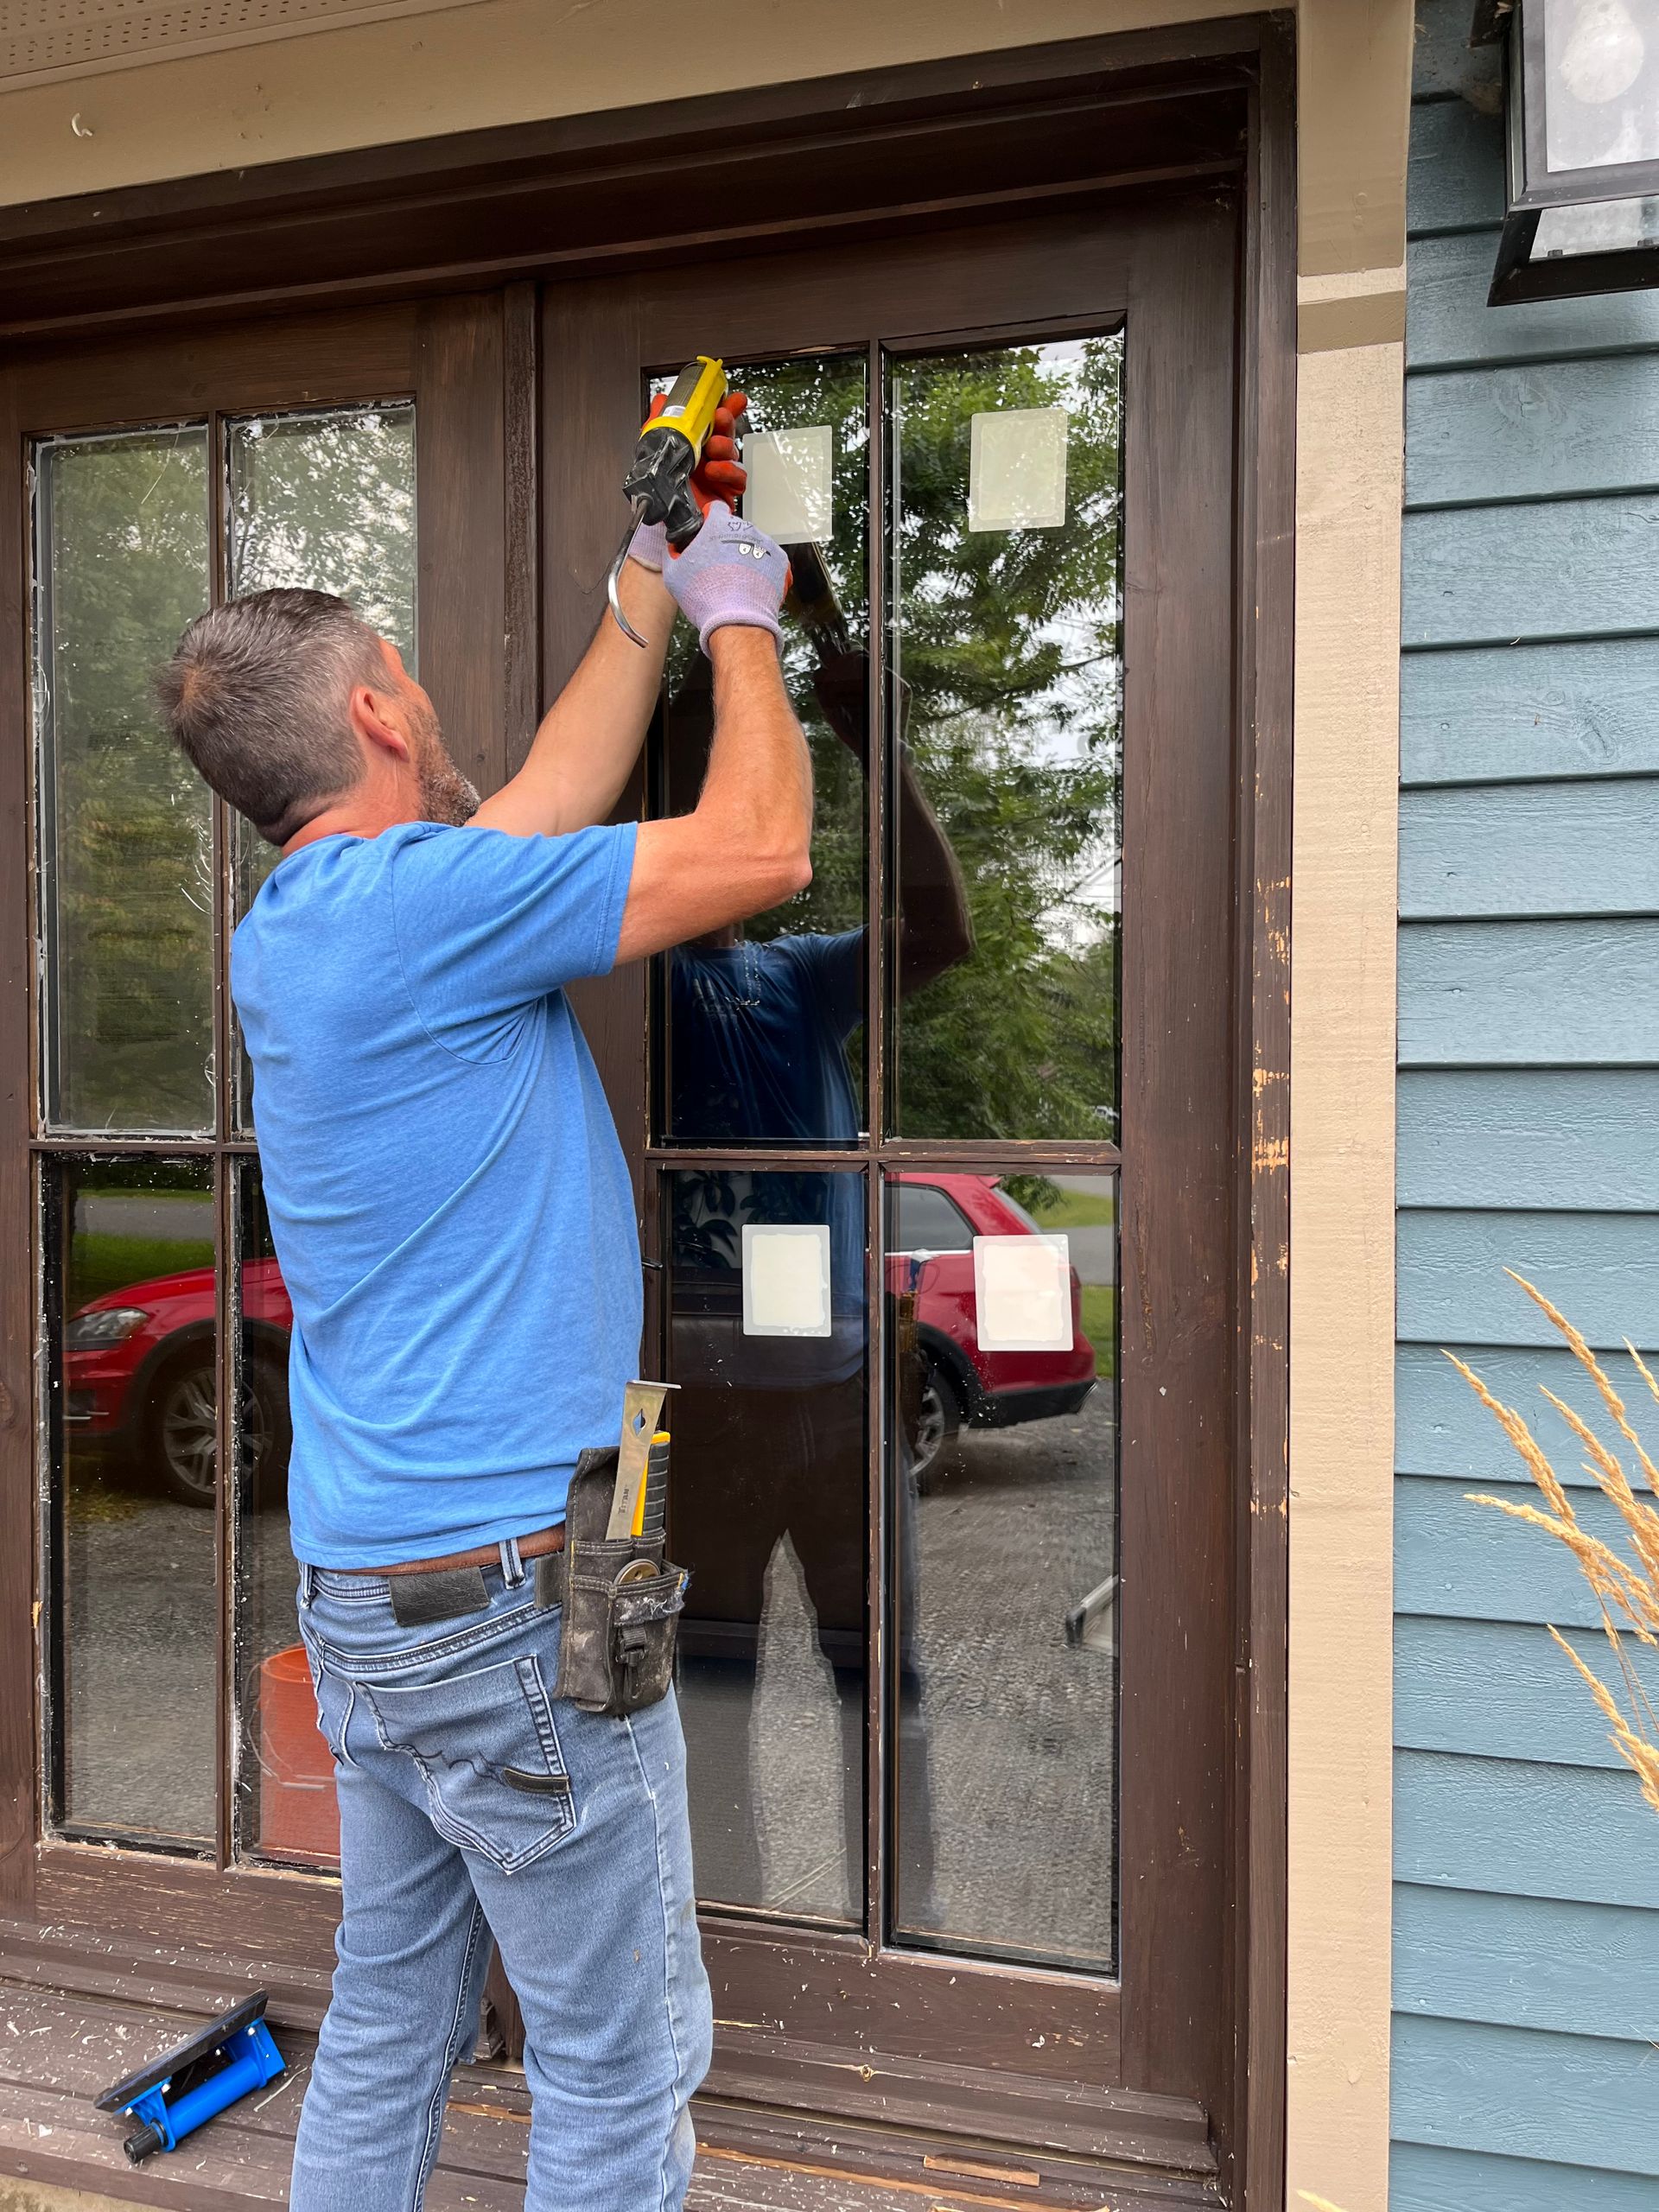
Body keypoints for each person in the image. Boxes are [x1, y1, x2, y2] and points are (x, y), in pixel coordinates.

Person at [155, 398, 806, 2212]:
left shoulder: (314, 920)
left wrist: (646, 586)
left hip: (375, 1597)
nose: (430, 701)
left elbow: (543, 801)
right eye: (409, 680)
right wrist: (747, 603)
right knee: (617, 2056)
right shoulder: (412, 909)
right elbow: (761, 847)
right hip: (508, 1603)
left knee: (388, 2017)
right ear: (373, 712)